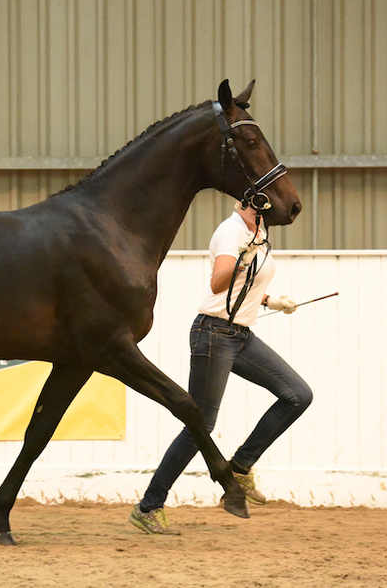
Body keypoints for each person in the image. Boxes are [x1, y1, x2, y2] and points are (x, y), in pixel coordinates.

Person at [129, 200, 313, 535]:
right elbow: (218, 283)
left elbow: (246, 284)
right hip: (214, 333)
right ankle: (149, 507)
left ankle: (240, 467)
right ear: (247, 204)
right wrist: (243, 258)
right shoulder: (232, 232)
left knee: (297, 395)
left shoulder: (257, 234)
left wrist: (270, 300)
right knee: (199, 426)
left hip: (240, 335)